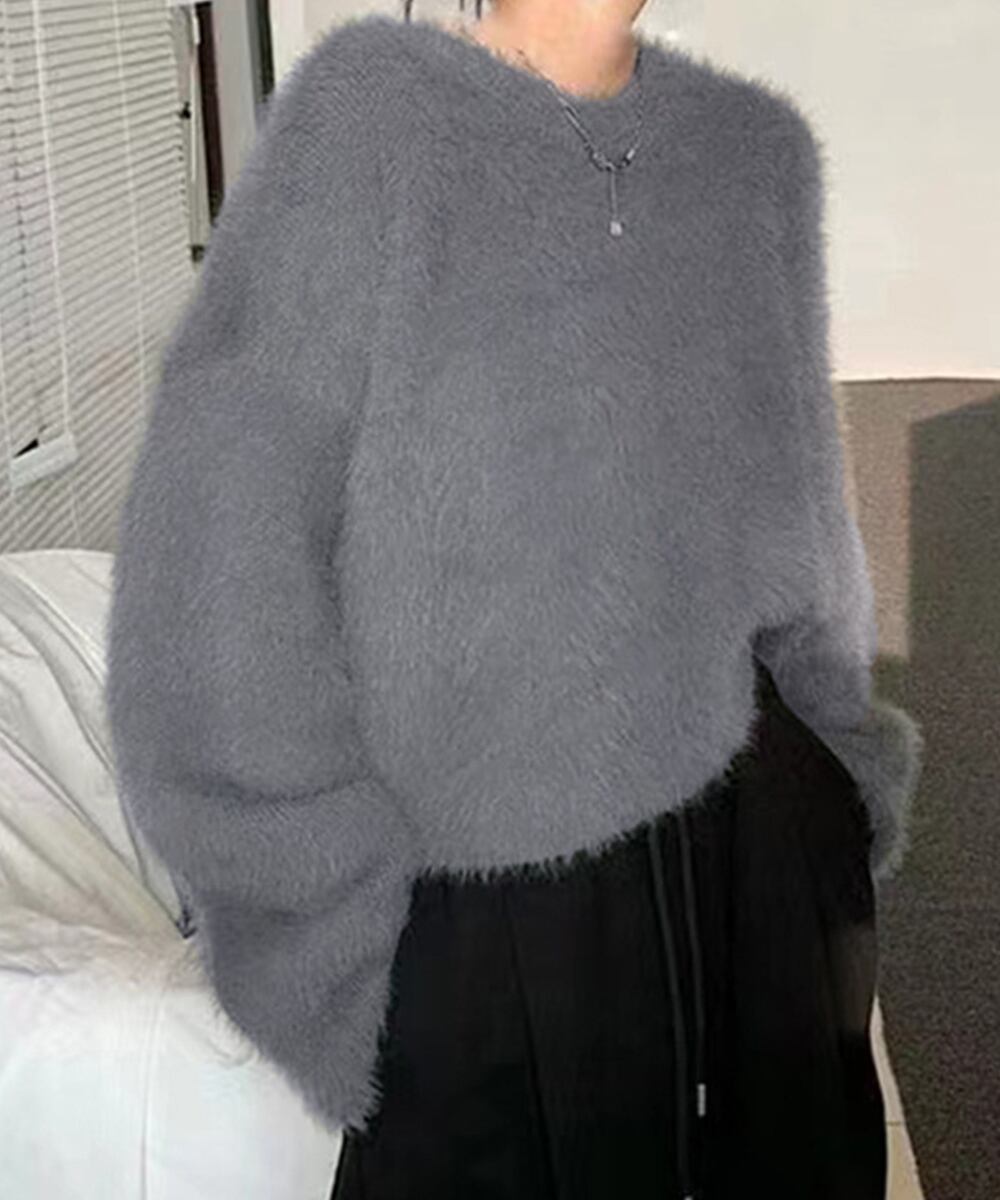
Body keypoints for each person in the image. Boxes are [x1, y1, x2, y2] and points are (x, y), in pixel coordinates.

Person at [103, 2, 925, 1198]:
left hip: (754, 852)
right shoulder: (373, 130)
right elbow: (220, 556)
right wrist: (325, 909)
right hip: (496, 904)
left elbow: (800, 514)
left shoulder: (752, 153)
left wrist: (838, 788)